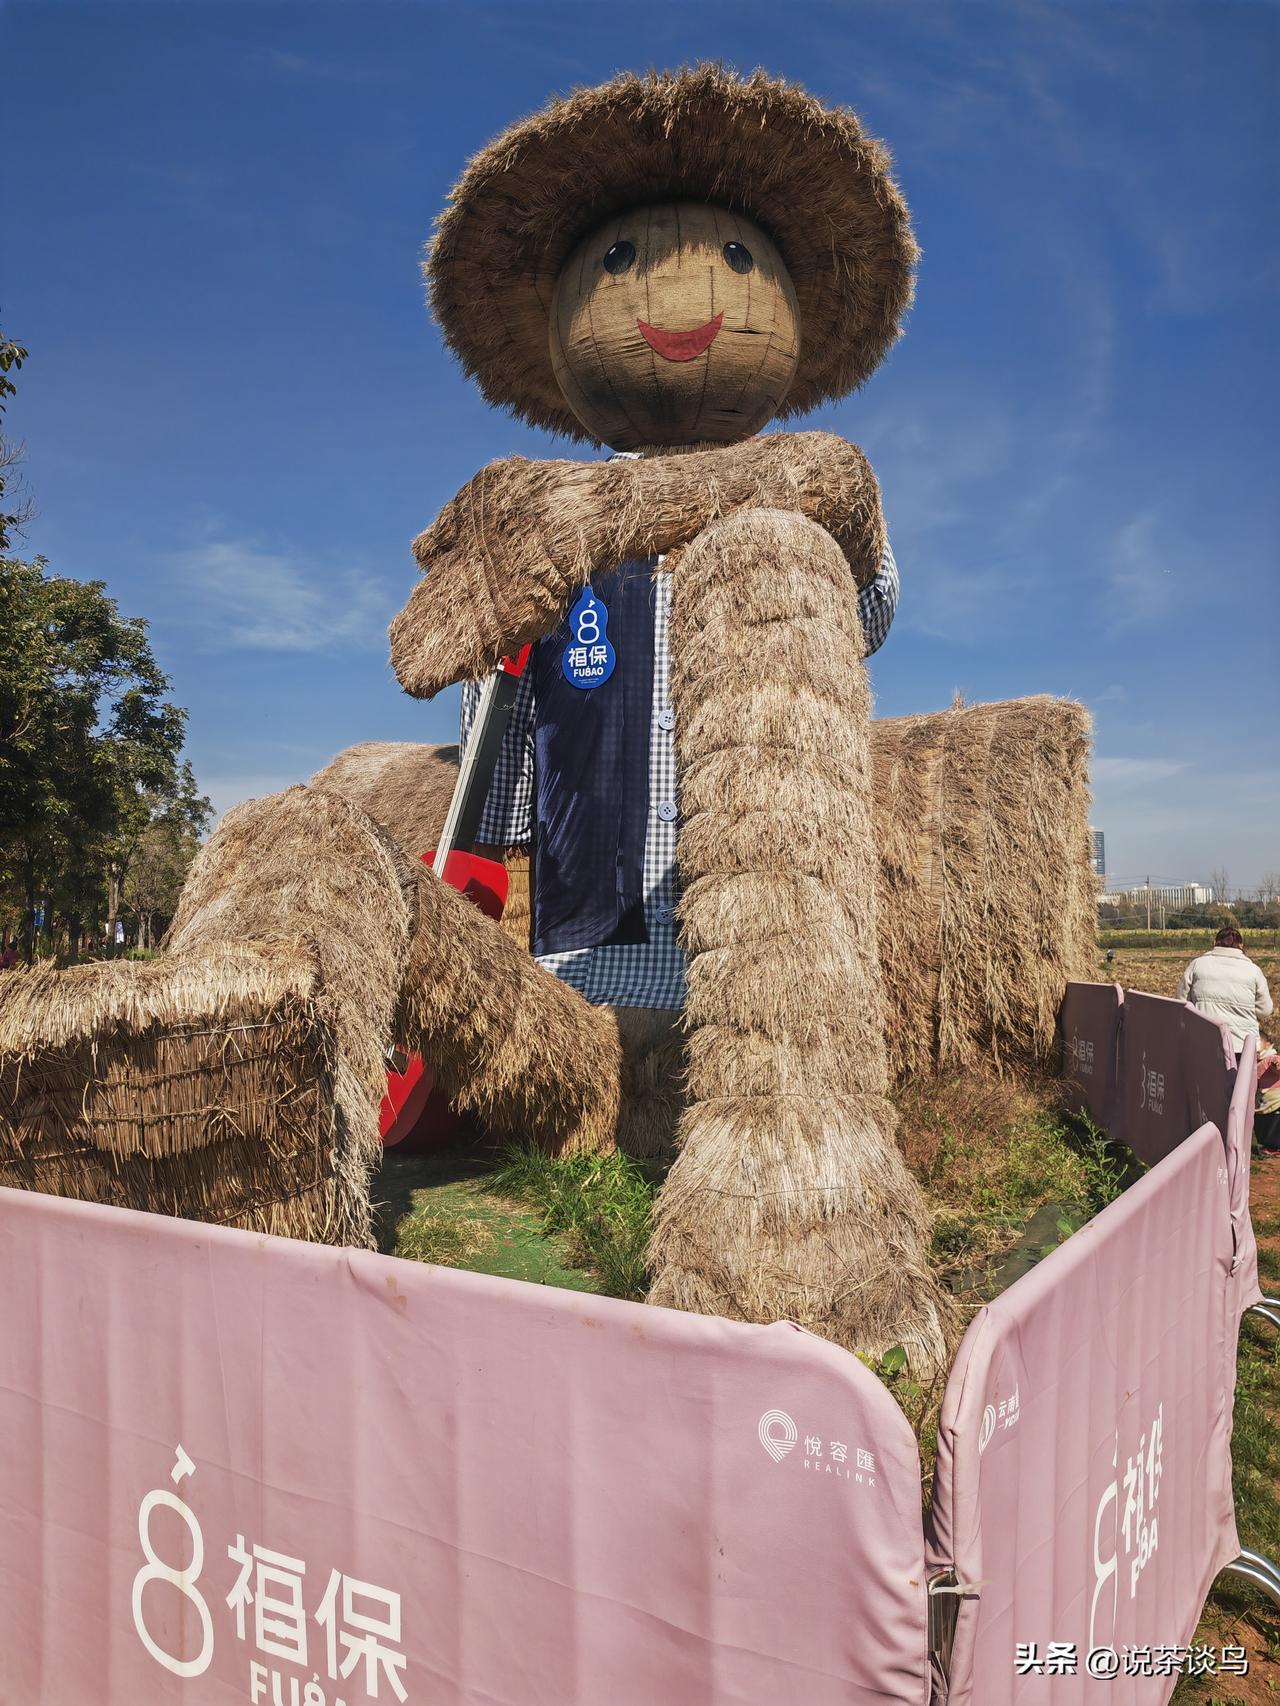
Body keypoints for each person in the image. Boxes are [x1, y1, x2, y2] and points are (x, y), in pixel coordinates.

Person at [1177, 924, 1274, 1056]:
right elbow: (1265, 1010)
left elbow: (1181, 1002)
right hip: (1242, 1046)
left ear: (1214, 943)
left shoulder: (1197, 964)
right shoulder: (1253, 970)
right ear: (1241, 946)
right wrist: (1244, 1008)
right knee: (1240, 1077)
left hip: (1203, 1042)